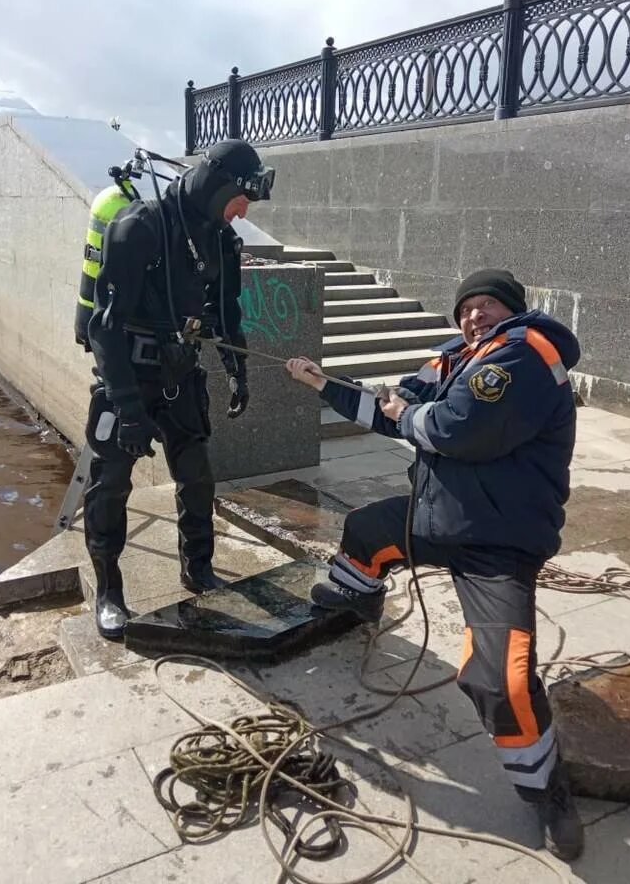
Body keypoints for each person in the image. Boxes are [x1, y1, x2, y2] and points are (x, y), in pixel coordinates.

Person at [286, 268, 584, 862]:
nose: (475, 314)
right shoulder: (457, 357)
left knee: (501, 678)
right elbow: (393, 406)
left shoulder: (525, 353)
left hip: (496, 541)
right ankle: (358, 596)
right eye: (466, 307)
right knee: (366, 531)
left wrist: (409, 414)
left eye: (489, 305)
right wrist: (324, 386)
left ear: (513, 312)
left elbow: (454, 429)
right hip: (439, 515)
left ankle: (547, 792)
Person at [83, 138, 275, 640]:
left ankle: (197, 566)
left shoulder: (220, 239)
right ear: (219, 186)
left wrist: (238, 370)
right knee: (111, 486)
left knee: (197, 478)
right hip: (128, 376)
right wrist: (125, 407)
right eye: (242, 198)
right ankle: (109, 588)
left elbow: (228, 310)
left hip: (181, 375)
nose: (243, 211)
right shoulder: (139, 227)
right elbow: (104, 327)